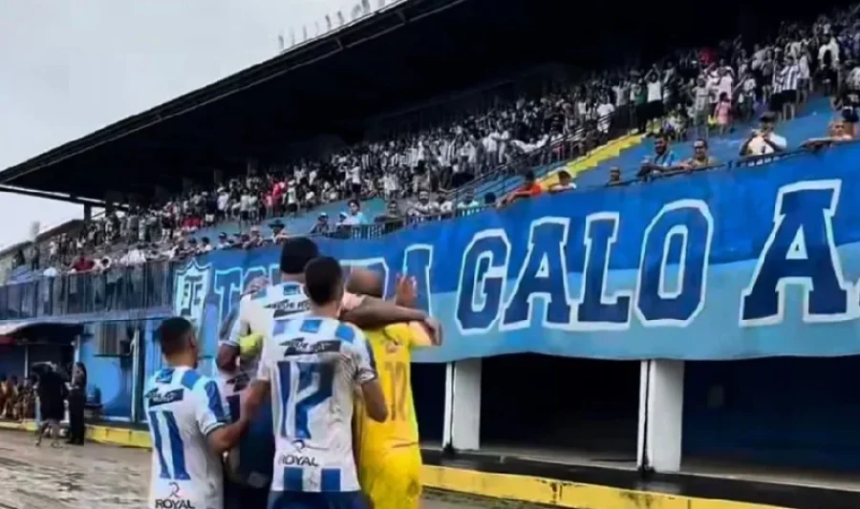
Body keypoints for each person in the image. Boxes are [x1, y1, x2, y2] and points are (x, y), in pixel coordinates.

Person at [214, 237, 438, 509]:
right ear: (337, 291)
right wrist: (412, 312)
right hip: (334, 465)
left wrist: (240, 424)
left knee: (253, 494)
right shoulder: (350, 335)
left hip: (275, 438)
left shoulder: (259, 313)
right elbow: (369, 309)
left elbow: (225, 361)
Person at [243, 256, 388, 508]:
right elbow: (379, 412)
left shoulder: (276, 335)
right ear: (340, 290)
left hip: (287, 475)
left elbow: (253, 400)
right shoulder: (351, 337)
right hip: (336, 476)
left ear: (305, 291)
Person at [349, 270, 441, 509]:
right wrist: (401, 306)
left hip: (377, 453)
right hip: (409, 449)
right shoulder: (402, 329)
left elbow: (361, 314)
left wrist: (398, 305)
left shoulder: (351, 334)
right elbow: (434, 337)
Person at [144, 317, 249, 509]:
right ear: (192, 340)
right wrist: (247, 416)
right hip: (198, 498)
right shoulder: (202, 386)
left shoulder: (151, 386)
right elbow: (220, 442)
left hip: (160, 498)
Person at [34, 363, 67, 448]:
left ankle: (39, 439)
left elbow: (39, 390)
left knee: (47, 422)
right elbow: (65, 389)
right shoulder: (58, 376)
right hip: (57, 402)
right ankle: (55, 442)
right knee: (55, 422)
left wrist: (42, 398)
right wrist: (63, 397)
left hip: (46, 403)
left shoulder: (42, 377)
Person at [66, 362, 87, 445]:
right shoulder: (78, 375)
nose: (74, 368)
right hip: (75, 398)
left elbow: (75, 386)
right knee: (75, 418)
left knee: (76, 418)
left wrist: (70, 386)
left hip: (77, 398)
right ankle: (74, 437)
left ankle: (77, 437)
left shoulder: (79, 375)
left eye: (75, 367)